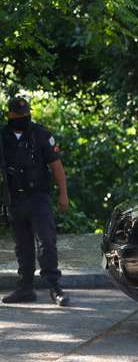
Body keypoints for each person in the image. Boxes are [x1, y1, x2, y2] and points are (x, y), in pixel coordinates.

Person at [1, 97, 70, 306]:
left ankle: (54, 287)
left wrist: (63, 194)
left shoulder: (40, 134)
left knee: (47, 243)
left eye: (26, 114)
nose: (24, 118)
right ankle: (25, 288)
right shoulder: (3, 137)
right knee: (23, 246)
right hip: (15, 199)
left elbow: (56, 166)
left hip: (38, 197)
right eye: (20, 115)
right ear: (10, 115)